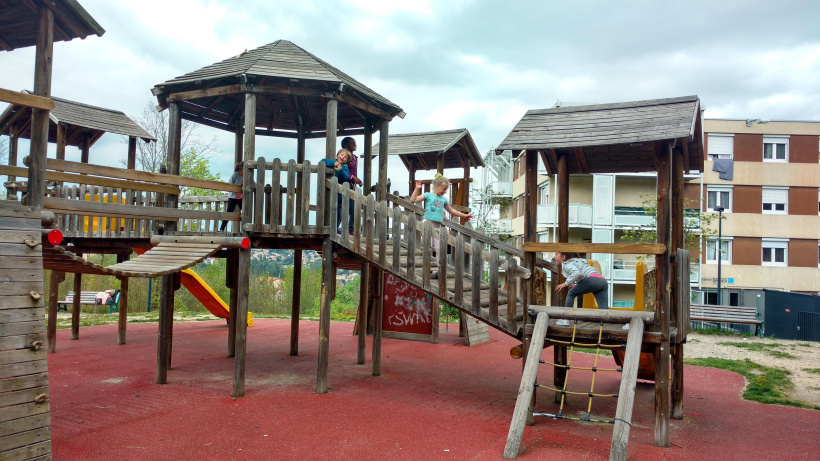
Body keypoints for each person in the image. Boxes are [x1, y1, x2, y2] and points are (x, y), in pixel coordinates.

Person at [409, 175, 474, 278]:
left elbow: (451, 211)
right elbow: (413, 200)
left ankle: (440, 270)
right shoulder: (428, 195)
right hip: (427, 224)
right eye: (443, 189)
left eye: (446, 190)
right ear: (436, 186)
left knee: (439, 249)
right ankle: (427, 267)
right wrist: (417, 189)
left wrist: (464, 215)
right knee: (428, 246)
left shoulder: (443, 200)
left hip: (438, 227)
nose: (445, 191)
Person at [320, 149, 353, 233]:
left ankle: (336, 228)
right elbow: (323, 161)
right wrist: (334, 163)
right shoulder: (333, 162)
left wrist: (340, 169)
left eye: (345, 157)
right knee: (328, 210)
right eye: (342, 155)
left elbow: (346, 178)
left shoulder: (345, 168)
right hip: (330, 193)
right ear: (337, 155)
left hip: (340, 195)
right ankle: (328, 226)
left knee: (339, 213)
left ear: (347, 161)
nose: (343, 157)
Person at [338, 137, 363, 234]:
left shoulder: (354, 157)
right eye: (352, 143)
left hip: (352, 184)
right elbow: (342, 168)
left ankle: (351, 230)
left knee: (354, 207)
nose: (354, 144)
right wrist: (353, 177)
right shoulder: (344, 157)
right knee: (342, 206)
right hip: (344, 183)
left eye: (355, 142)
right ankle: (340, 228)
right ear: (345, 145)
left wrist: (356, 180)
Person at [219, 161, 244, 232]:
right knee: (229, 213)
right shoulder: (235, 175)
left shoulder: (246, 176)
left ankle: (245, 228)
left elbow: (253, 183)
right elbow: (230, 184)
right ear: (242, 168)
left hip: (240, 197)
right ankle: (221, 229)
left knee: (246, 212)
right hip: (233, 197)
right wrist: (235, 190)